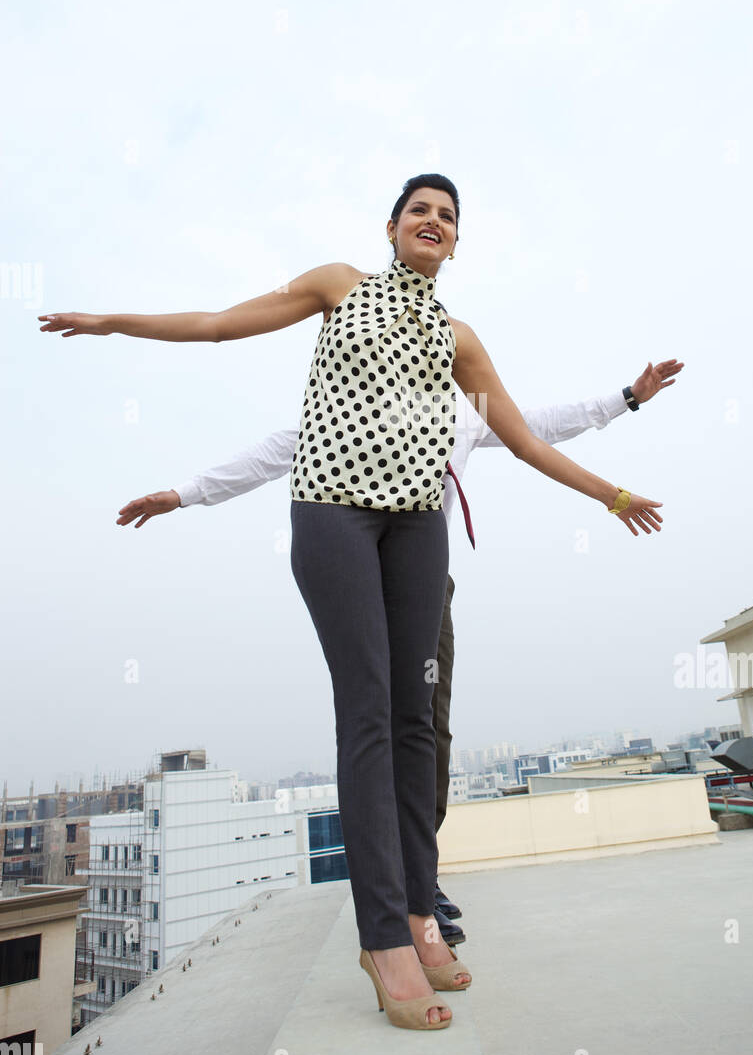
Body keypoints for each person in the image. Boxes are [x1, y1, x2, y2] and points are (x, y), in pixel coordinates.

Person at [39, 172, 666, 1032]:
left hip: (418, 529)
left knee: (419, 723)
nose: (433, 222)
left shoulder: (460, 340)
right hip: (333, 513)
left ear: (457, 241)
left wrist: (611, 493)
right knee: (369, 711)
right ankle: (383, 938)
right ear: (392, 227)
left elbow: (524, 435)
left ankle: (417, 910)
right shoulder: (342, 286)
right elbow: (223, 326)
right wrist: (117, 322)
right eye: (420, 211)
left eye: (447, 216)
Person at [114, 362, 683, 947]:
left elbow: (540, 427)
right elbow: (271, 453)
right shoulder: (349, 412)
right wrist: (183, 495)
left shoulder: (465, 413)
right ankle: (387, 904)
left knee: (428, 731)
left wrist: (628, 398)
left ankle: (420, 881)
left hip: (427, 586)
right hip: (359, 576)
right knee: (370, 725)